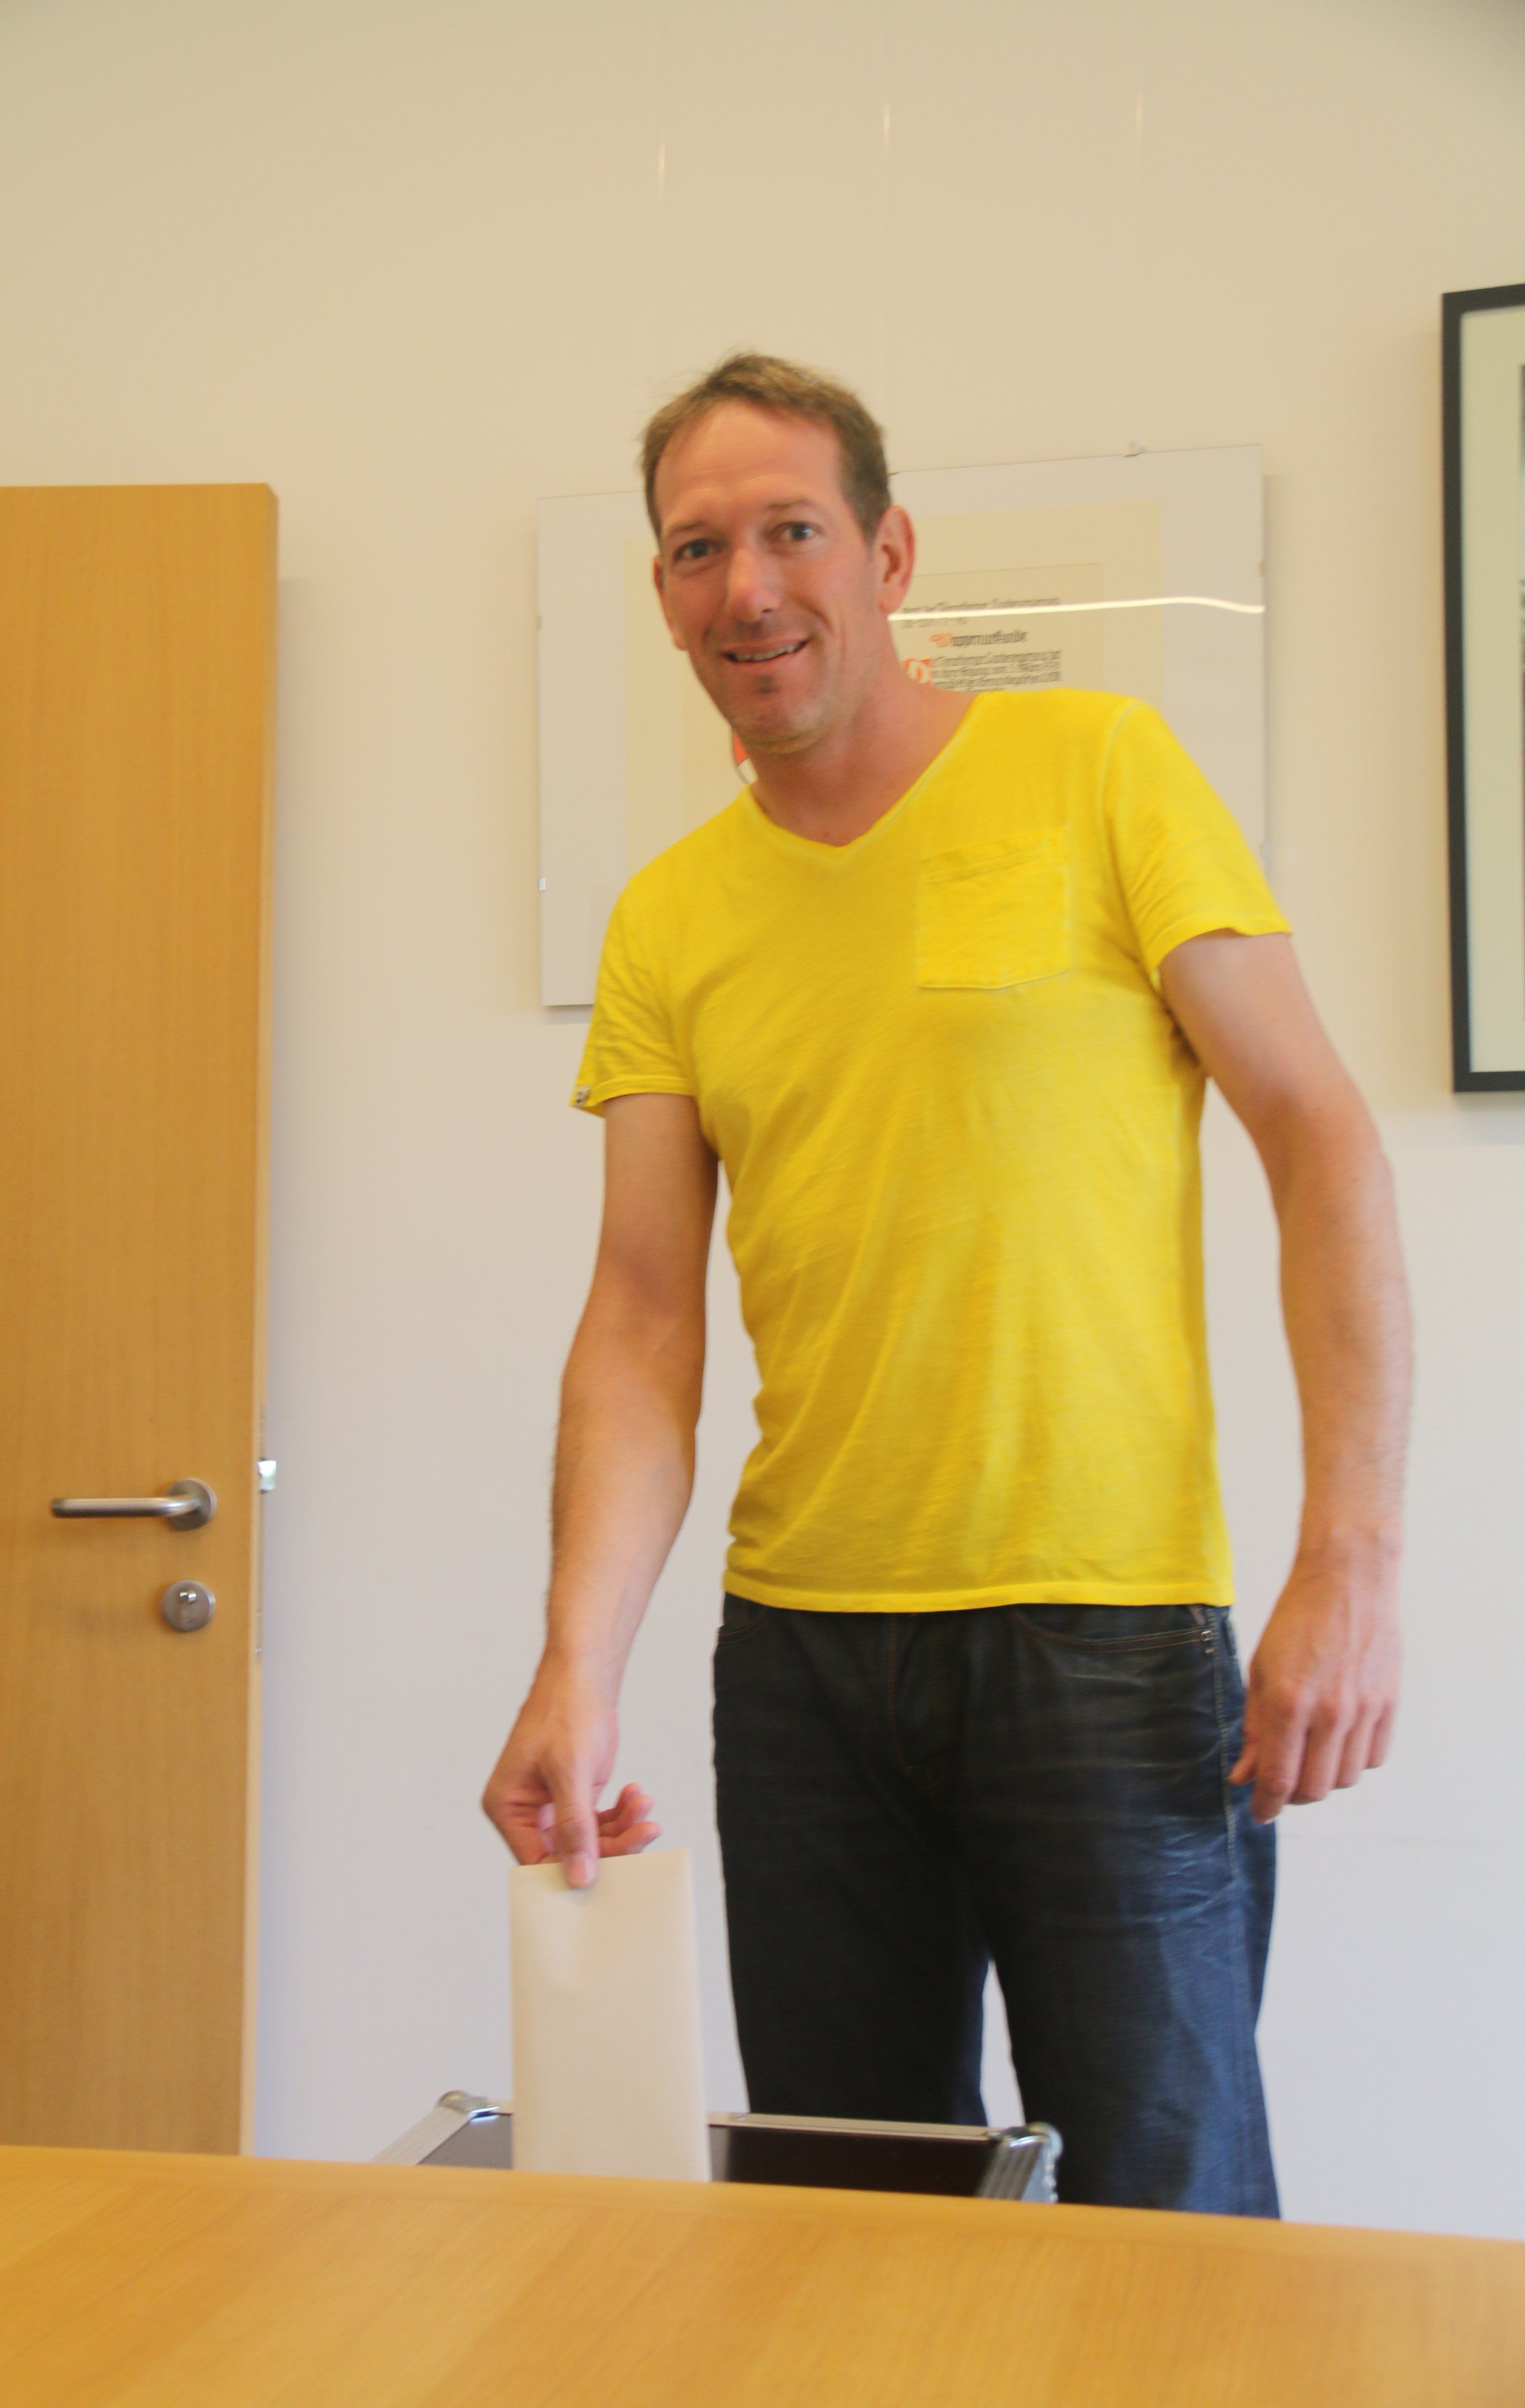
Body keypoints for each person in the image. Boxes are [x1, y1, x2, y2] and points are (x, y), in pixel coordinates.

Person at [483, 352, 1409, 2214]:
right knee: (850, 2231)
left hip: (1108, 1638)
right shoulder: (668, 915)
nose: (748, 585)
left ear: (889, 553)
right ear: (662, 592)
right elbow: (644, 1319)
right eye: (698, 548)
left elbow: (1321, 1141)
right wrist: (576, 1665)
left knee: (1169, 2233)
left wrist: (1353, 1561)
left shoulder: (1102, 770)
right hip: (804, 1667)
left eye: (792, 531)